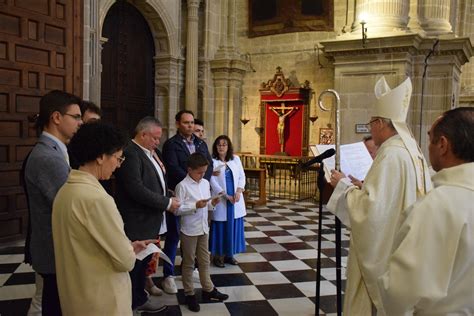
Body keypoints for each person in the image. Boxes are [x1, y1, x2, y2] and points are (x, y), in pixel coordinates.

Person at [327, 76, 432, 314]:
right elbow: (391, 198)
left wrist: (343, 186)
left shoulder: (390, 154)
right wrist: (362, 186)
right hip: (402, 247)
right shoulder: (409, 151)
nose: (370, 126)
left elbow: (371, 210)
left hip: (384, 249)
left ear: (382, 123)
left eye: (372, 122)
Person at [377, 107, 474, 314]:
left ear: (442, 145)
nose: (426, 146)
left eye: (430, 138)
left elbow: (399, 290)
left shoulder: (436, 206)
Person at [52, 122, 153, 315]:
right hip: (102, 300)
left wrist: (128, 247)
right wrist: (128, 251)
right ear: (100, 156)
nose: (118, 165)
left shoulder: (66, 191)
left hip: (75, 295)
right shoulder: (98, 199)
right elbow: (124, 261)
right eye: (118, 158)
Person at [23, 90, 82, 316]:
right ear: (57, 117)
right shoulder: (47, 157)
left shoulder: (57, 150)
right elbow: (69, 205)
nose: (79, 122)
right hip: (55, 251)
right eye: (75, 117)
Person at [114, 116, 180, 313]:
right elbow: (136, 189)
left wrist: (165, 192)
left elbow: (154, 180)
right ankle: (131, 304)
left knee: (143, 266)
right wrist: (166, 202)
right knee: (135, 266)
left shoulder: (150, 152)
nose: (158, 142)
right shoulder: (131, 153)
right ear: (143, 134)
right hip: (137, 221)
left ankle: (139, 298)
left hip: (150, 220)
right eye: (155, 138)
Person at [161, 110, 213, 294]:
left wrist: (200, 181)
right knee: (175, 236)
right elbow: (173, 167)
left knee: (197, 240)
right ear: (177, 124)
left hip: (199, 193)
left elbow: (209, 165)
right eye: (186, 122)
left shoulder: (200, 142)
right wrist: (191, 182)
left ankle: (190, 270)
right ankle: (168, 275)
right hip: (180, 193)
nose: (190, 126)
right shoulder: (171, 144)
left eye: (192, 122)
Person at [173, 153, 229, 312]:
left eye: (204, 172)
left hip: (204, 228)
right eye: (199, 172)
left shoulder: (205, 183)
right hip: (189, 230)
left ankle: (208, 289)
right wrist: (194, 206)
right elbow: (177, 210)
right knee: (189, 262)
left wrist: (213, 203)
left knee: (204, 261)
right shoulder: (182, 186)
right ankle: (189, 293)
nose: (202, 175)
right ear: (189, 169)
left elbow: (207, 205)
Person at [209, 135, 246, 267]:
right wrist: (225, 195)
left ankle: (230, 255)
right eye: (219, 145)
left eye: (224, 144)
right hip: (221, 198)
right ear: (215, 147)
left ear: (228, 146)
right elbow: (211, 180)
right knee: (221, 227)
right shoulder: (212, 161)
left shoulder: (235, 159)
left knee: (233, 226)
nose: (221, 147)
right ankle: (218, 256)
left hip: (235, 198)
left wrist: (238, 191)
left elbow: (242, 176)